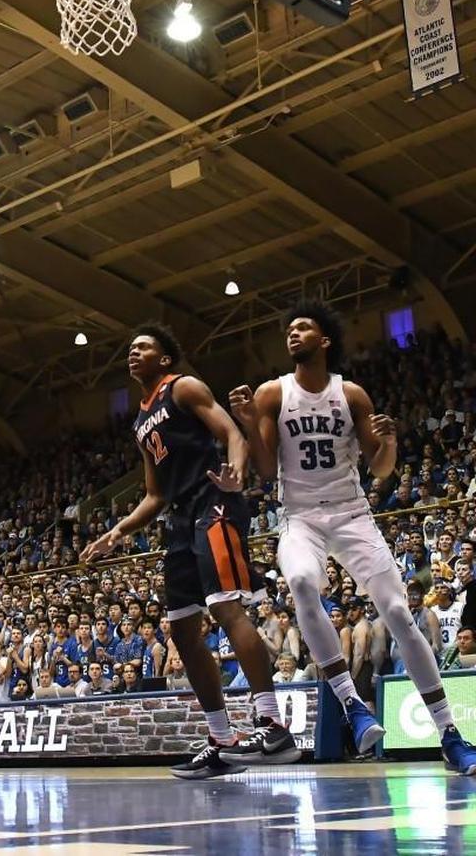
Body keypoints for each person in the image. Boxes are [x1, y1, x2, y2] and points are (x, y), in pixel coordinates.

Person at [230, 300, 476, 774]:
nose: (293, 334)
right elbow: (263, 469)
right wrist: (245, 423)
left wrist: (391, 443)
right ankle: (353, 705)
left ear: (324, 341)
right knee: (301, 582)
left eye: (303, 328)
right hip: (299, 516)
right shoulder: (271, 394)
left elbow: (380, 469)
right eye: (289, 330)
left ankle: (450, 734)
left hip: (352, 514)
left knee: (401, 613)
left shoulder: (352, 395)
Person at [83, 322, 296, 780]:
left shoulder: (184, 387)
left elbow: (233, 435)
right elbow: (154, 495)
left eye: (143, 347)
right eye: (129, 348)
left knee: (224, 605)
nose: (133, 352)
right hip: (179, 517)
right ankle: (222, 738)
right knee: (181, 630)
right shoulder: (141, 421)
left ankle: (272, 723)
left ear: (164, 358)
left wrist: (236, 473)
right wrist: (116, 532)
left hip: (214, 498)